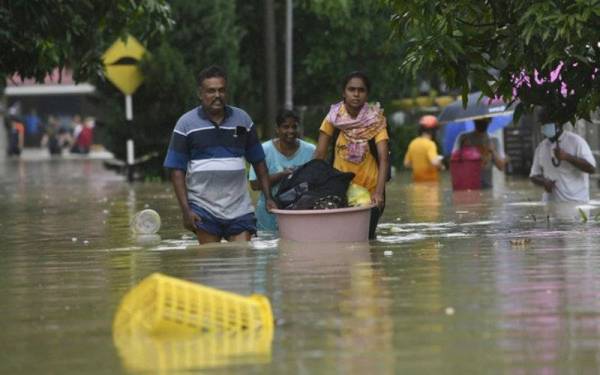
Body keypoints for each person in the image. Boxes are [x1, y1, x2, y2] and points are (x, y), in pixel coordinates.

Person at [163, 65, 276, 244]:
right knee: (210, 263)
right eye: (211, 91)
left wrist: (269, 197)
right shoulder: (185, 124)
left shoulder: (243, 120)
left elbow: (259, 161)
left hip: (239, 208)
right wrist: (186, 211)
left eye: (221, 90)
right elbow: (177, 170)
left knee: (244, 261)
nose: (217, 95)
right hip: (203, 208)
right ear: (200, 93)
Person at [314, 71, 389, 239]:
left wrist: (378, 193)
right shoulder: (333, 118)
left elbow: (384, 158)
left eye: (361, 90)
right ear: (344, 92)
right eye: (351, 89)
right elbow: (320, 154)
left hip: (371, 193)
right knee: (340, 240)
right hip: (340, 190)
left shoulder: (376, 120)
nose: (356, 94)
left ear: (367, 94)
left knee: (366, 241)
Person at [249, 109, 315, 232]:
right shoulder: (264, 150)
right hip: (268, 214)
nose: (290, 131)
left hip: (301, 215)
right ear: (277, 129)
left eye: (294, 127)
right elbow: (254, 184)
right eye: (286, 127)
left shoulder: (311, 151)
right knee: (268, 249)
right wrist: (282, 175)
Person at [530, 109, 596, 202]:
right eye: (543, 123)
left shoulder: (576, 142)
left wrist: (567, 157)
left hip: (576, 204)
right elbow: (534, 175)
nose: (545, 126)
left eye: (548, 123)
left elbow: (591, 169)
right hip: (551, 204)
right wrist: (544, 182)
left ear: (558, 124)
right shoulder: (541, 147)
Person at [452, 117, 507, 188]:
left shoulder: (494, 140)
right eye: (479, 120)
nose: (481, 123)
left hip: (486, 185)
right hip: (466, 184)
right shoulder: (463, 138)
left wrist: (493, 151)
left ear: (490, 120)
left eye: (484, 120)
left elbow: (501, 167)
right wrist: (464, 150)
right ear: (474, 120)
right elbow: (453, 163)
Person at [403, 115, 444, 182]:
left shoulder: (413, 143)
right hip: (430, 184)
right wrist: (441, 165)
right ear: (433, 131)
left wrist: (419, 165)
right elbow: (434, 162)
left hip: (416, 183)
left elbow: (406, 164)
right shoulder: (430, 144)